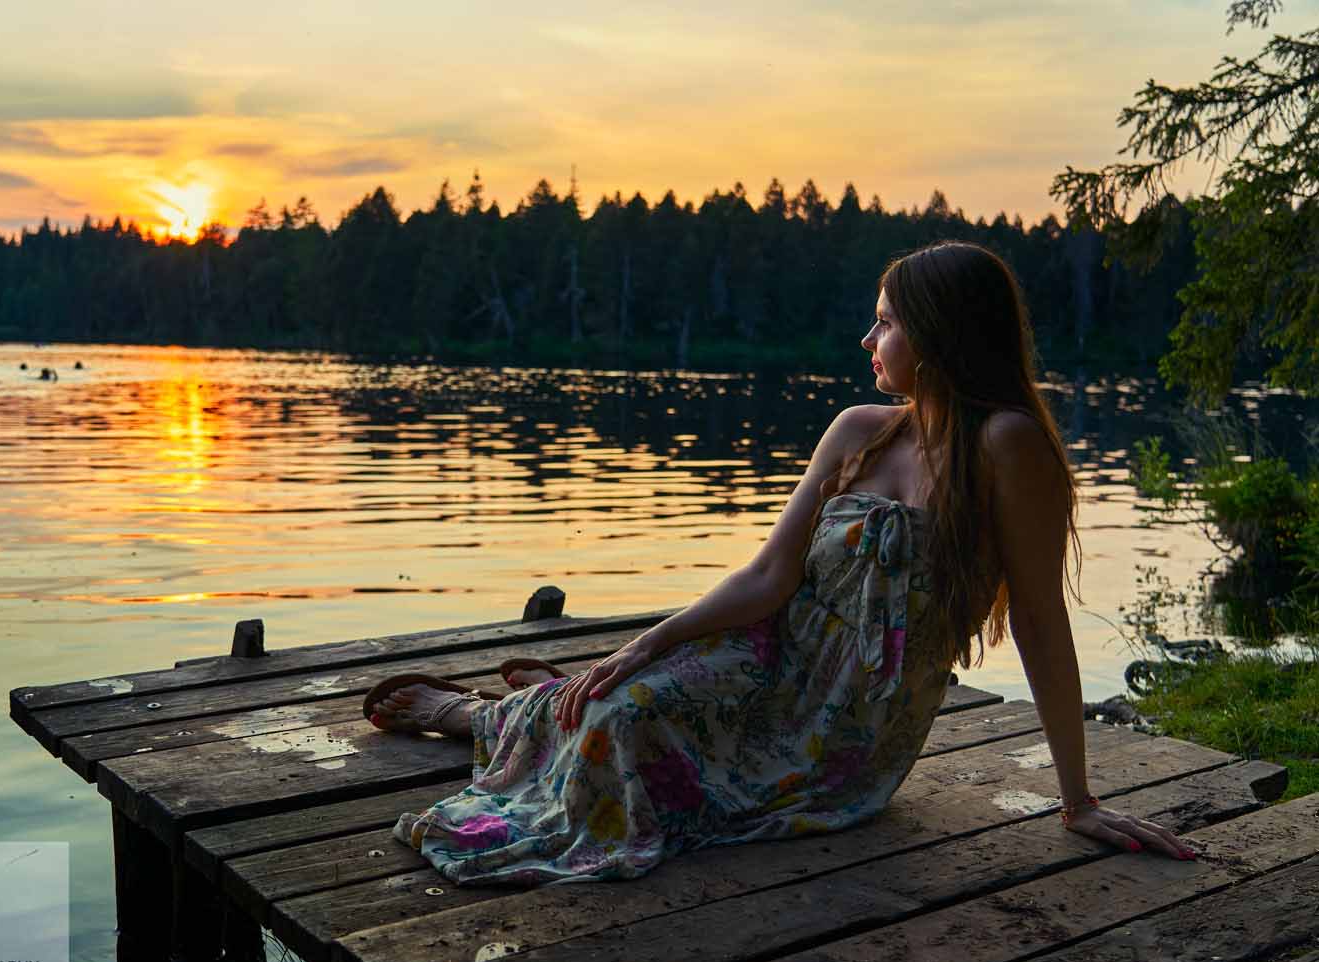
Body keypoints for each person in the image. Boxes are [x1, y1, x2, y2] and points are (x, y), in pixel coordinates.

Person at [365, 240, 1195, 885]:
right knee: (622, 699)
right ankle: (489, 715)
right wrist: (652, 640)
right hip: (770, 654)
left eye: (886, 322)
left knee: (623, 733)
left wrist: (1077, 798)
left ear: (940, 333)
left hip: (851, 724)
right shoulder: (859, 428)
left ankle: (489, 716)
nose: (870, 338)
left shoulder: (1007, 447)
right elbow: (771, 575)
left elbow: (1042, 623)